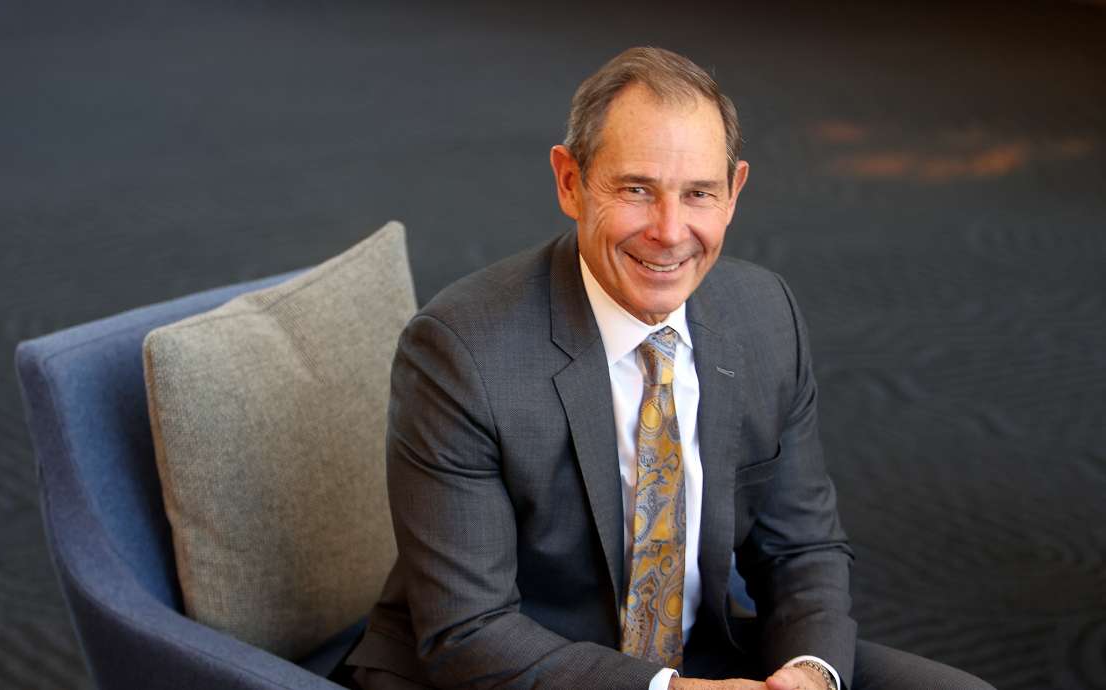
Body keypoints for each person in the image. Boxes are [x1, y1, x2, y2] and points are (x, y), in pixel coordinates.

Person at [345, 47, 993, 690]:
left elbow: (801, 549)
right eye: (636, 190)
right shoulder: (462, 350)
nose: (670, 230)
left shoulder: (764, 315)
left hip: (701, 653)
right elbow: (470, 634)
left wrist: (808, 675)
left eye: (699, 194)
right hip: (512, 671)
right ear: (570, 182)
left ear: (735, 192)